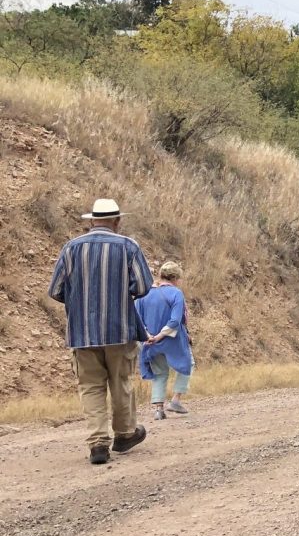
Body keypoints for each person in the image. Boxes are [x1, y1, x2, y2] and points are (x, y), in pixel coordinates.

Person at [47, 198, 153, 465]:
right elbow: (142, 287)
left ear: (92, 221)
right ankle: (125, 434)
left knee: (91, 387)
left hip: (82, 332)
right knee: (120, 383)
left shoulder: (70, 248)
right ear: (117, 221)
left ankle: (97, 444)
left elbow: (56, 290)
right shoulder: (128, 247)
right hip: (120, 330)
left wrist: (79, 303)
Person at [137, 260, 193, 421]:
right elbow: (175, 320)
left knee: (159, 373)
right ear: (175, 278)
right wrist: (161, 335)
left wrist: (148, 336)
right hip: (171, 340)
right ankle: (176, 400)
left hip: (149, 341)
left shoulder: (144, 293)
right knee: (188, 364)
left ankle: (158, 409)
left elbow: (137, 319)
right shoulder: (176, 293)